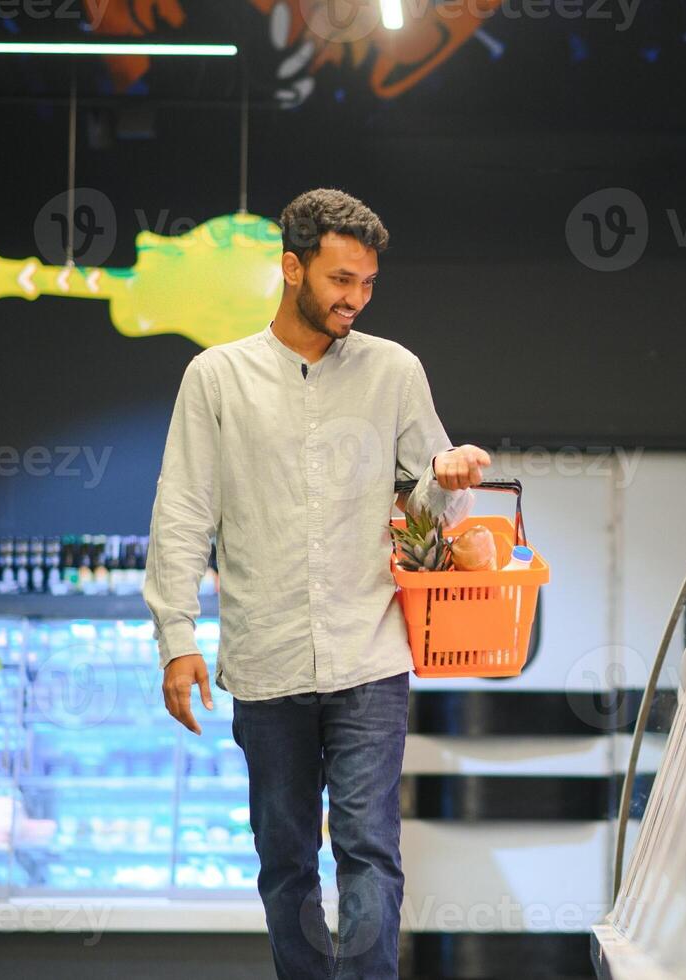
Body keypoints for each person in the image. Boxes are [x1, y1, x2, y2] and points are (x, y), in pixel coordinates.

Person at [143, 188, 490, 979]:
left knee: (369, 850)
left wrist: (444, 480)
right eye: (340, 280)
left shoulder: (395, 371)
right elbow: (183, 512)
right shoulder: (216, 379)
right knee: (285, 858)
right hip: (265, 665)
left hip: (369, 655)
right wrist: (176, 638)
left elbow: (425, 527)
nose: (354, 300)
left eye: (367, 283)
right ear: (291, 268)